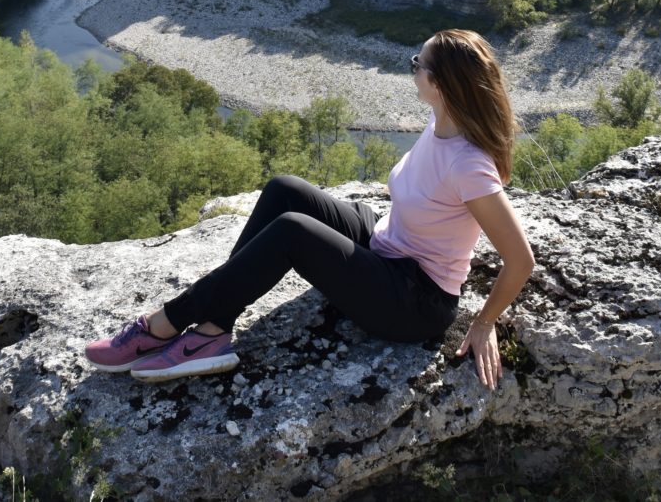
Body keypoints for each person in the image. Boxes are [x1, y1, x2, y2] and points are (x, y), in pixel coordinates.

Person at [84, 28, 536, 388]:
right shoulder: (439, 120)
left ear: (437, 83)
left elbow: (520, 260)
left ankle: (165, 324)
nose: (412, 69)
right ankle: (213, 324)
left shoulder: (469, 165)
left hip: (413, 298)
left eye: (417, 63)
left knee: (292, 232)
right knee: (285, 190)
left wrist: (483, 321)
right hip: (387, 241)